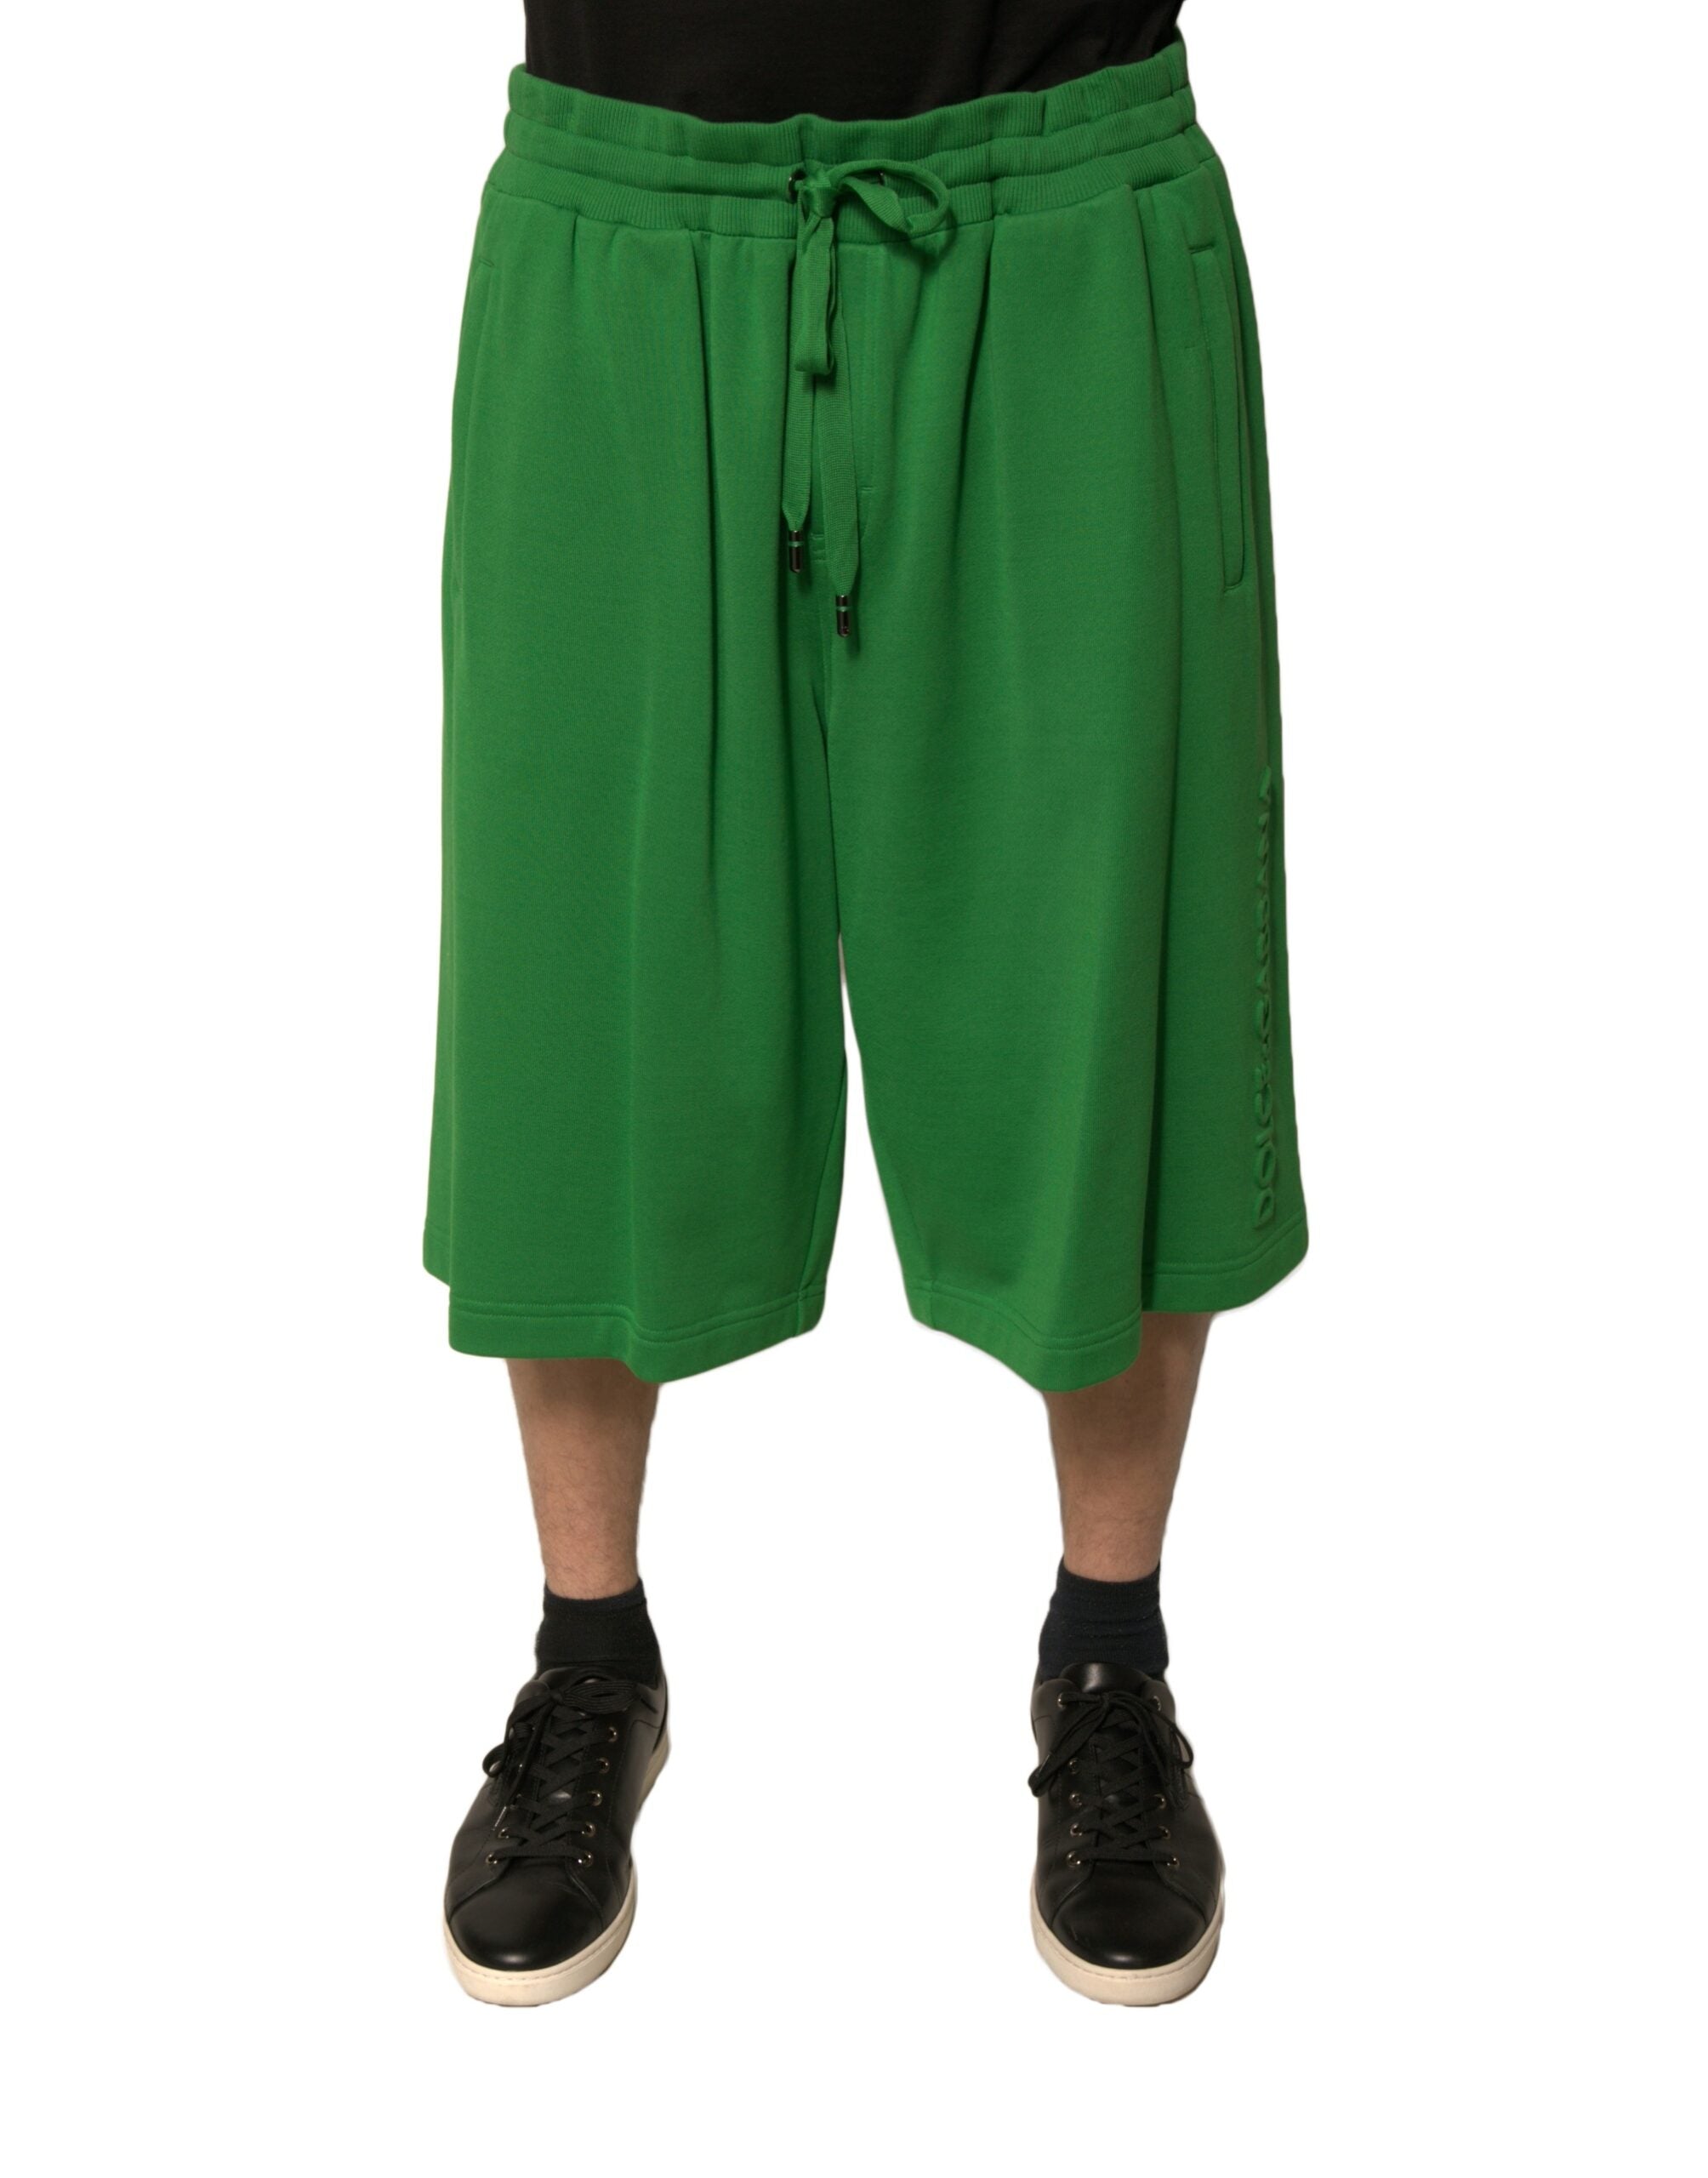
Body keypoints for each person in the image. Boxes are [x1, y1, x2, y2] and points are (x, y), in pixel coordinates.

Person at [430, 0, 1306, 2009]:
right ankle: (589, 1653)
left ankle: (1108, 1655)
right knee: (580, 980)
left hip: (1059, 185)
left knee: (1105, 968)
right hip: (623, 199)